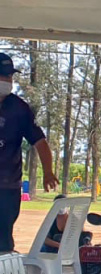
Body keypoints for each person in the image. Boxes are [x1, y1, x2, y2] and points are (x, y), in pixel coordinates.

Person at [0, 52, 59, 253]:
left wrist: (48, 171)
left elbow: (40, 142)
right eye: (3, 75)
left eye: (10, 76)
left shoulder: (19, 108)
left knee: (3, 238)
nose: (7, 81)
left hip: (7, 186)